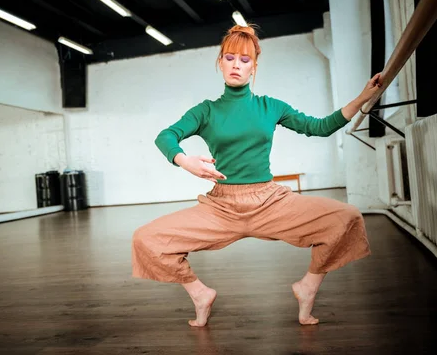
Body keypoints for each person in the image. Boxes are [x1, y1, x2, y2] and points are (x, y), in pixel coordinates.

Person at [132, 24, 381, 327]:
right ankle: (199, 293)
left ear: (254, 67)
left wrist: (362, 98)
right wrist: (185, 161)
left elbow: (320, 127)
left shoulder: (270, 107)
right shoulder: (206, 111)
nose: (236, 65)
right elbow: (165, 136)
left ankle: (308, 288)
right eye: (229, 58)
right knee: (146, 239)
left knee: (347, 218)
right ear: (220, 62)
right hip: (221, 207)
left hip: (270, 202)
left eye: (245, 60)